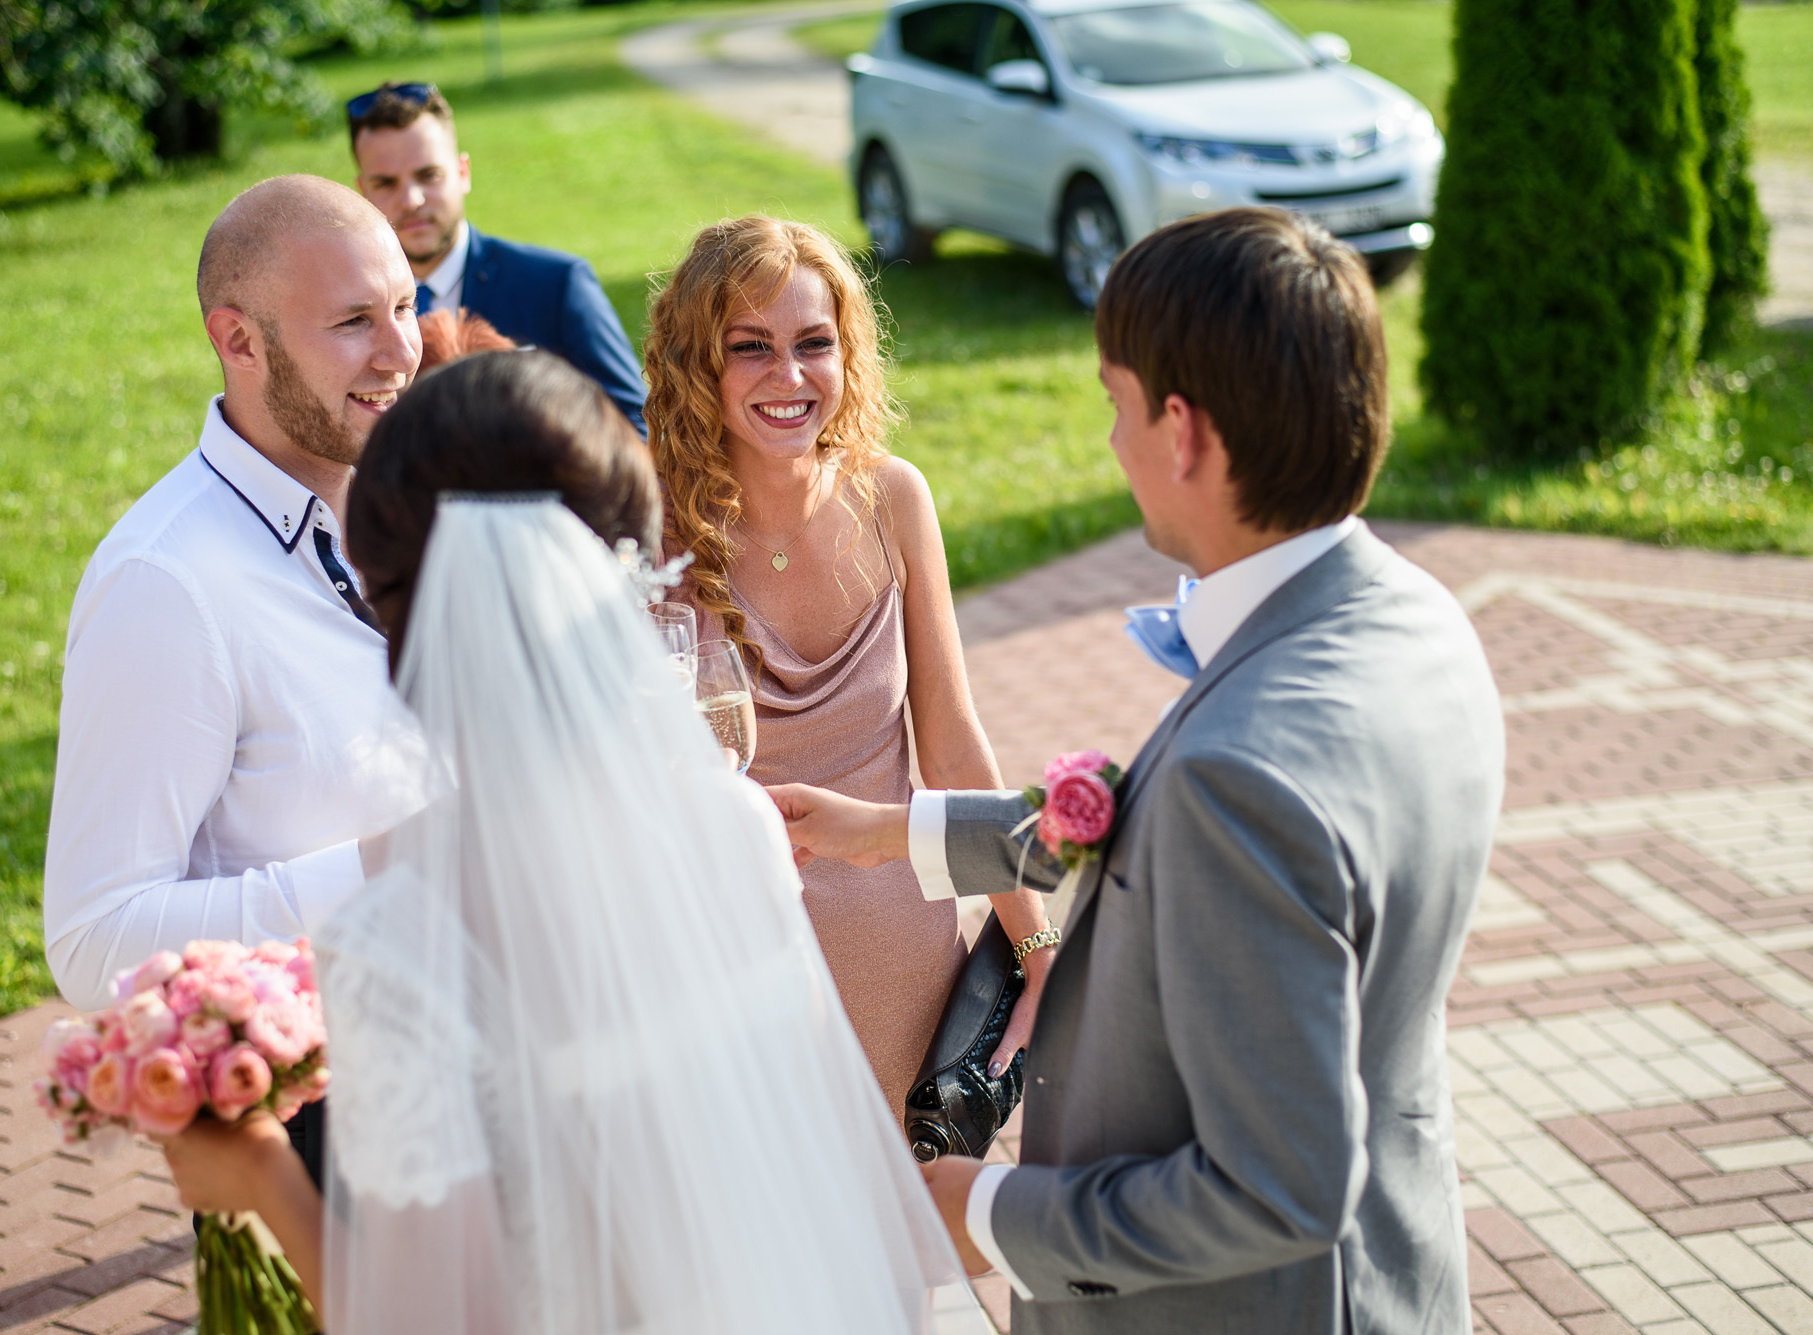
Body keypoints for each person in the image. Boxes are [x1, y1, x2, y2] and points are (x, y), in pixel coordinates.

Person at [771, 208, 1506, 1334]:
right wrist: (890, 833)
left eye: (1114, 405)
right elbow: (1153, 821)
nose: (1109, 444)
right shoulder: (1412, 619)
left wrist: (996, 1211)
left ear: (1184, 433)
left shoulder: (1239, 776)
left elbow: (1275, 1189)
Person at [159, 349, 986, 1334]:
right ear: (620, 572)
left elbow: (431, 1321)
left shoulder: (391, 939)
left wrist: (256, 1173)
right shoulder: (733, 834)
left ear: (386, 602)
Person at [43, 174, 425, 1185]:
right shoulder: (163, 585)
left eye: (404, 305)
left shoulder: (415, 497)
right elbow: (93, 946)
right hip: (329, 1132)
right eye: (353, 322)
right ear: (239, 340)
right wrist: (397, 864)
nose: (400, 351)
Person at [644, 215, 1058, 1117]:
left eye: (813, 344)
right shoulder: (642, 530)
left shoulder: (894, 498)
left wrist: (1036, 948)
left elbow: (952, 746)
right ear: (693, 363)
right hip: (727, 983)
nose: (787, 377)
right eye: (748, 347)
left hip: (905, 980)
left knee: (915, 1248)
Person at [348, 81, 649, 436]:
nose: (411, 199)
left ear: (463, 173)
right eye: (386, 183)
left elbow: (634, 428)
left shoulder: (555, 285)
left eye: (428, 175)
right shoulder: (342, 303)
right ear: (362, 191)